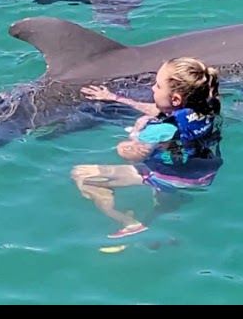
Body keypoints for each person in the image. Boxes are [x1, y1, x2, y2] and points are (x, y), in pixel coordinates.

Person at [70, 57, 223, 239]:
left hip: (172, 176)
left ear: (175, 99)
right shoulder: (207, 108)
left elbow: (130, 154)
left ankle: (129, 223)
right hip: (203, 171)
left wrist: (136, 131)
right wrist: (115, 98)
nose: (152, 88)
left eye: (157, 86)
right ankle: (166, 211)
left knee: (82, 175)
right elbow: (161, 111)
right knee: (167, 178)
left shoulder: (158, 131)